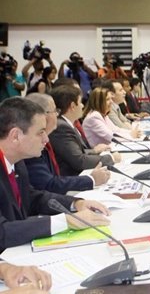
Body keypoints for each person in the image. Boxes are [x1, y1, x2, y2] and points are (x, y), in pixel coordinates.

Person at [0, 97, 111, 251]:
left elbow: (32, 197)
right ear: (15, 136)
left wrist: (75, 203)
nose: (46, 139)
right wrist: (66, 221)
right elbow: (3, 232)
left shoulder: (17, 162)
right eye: (40, 133)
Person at [24, 93, 110, 194]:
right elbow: (48, 184)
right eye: (55, 111)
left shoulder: (45, 137)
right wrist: (91, 179)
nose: (57, 115)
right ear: (43, 115)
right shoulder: (30, 145)